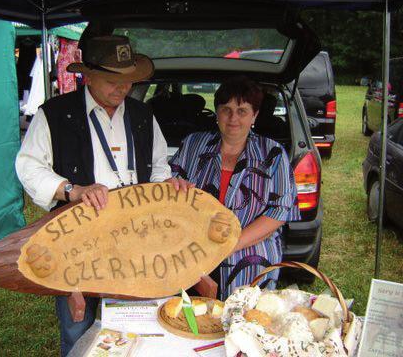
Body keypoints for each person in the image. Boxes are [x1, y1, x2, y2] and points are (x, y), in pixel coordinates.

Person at [15, 34, 191, 356]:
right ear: (88, 76)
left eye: (128, 81)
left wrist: (167, 187)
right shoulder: (55, 114)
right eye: (113, 80)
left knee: (131, 323)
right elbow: (29, 167)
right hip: (78, 238)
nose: (122, 89)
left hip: (134, 238)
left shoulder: (142, 116)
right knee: (77, 327)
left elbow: (159, 167)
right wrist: (72, 189)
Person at [169, 76, 300, 300]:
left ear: (255, 115)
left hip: (249, 252)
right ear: (216, 112)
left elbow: (279, 212)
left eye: (242, 111)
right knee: (190, 320)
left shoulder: (273, 153)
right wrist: (171, 184)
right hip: (192, 251)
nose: (233, 118)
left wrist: (229, 246)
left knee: (242, 322)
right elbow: (169, 187)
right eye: (226, 109)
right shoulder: (193, 144)